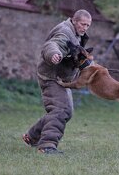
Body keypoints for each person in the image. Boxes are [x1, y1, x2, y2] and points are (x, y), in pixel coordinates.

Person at [22, 9, 92, 154]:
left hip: (62, 79)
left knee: (67, 112)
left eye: (87, 25)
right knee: (60, 110)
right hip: (51, 76)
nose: (85, 28)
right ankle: (47, 146)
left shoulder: (78, 35)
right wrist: (54, 54)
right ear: (74, 20)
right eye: (82, 24)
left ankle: (32, 136)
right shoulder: (65, 31)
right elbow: (52, 45)